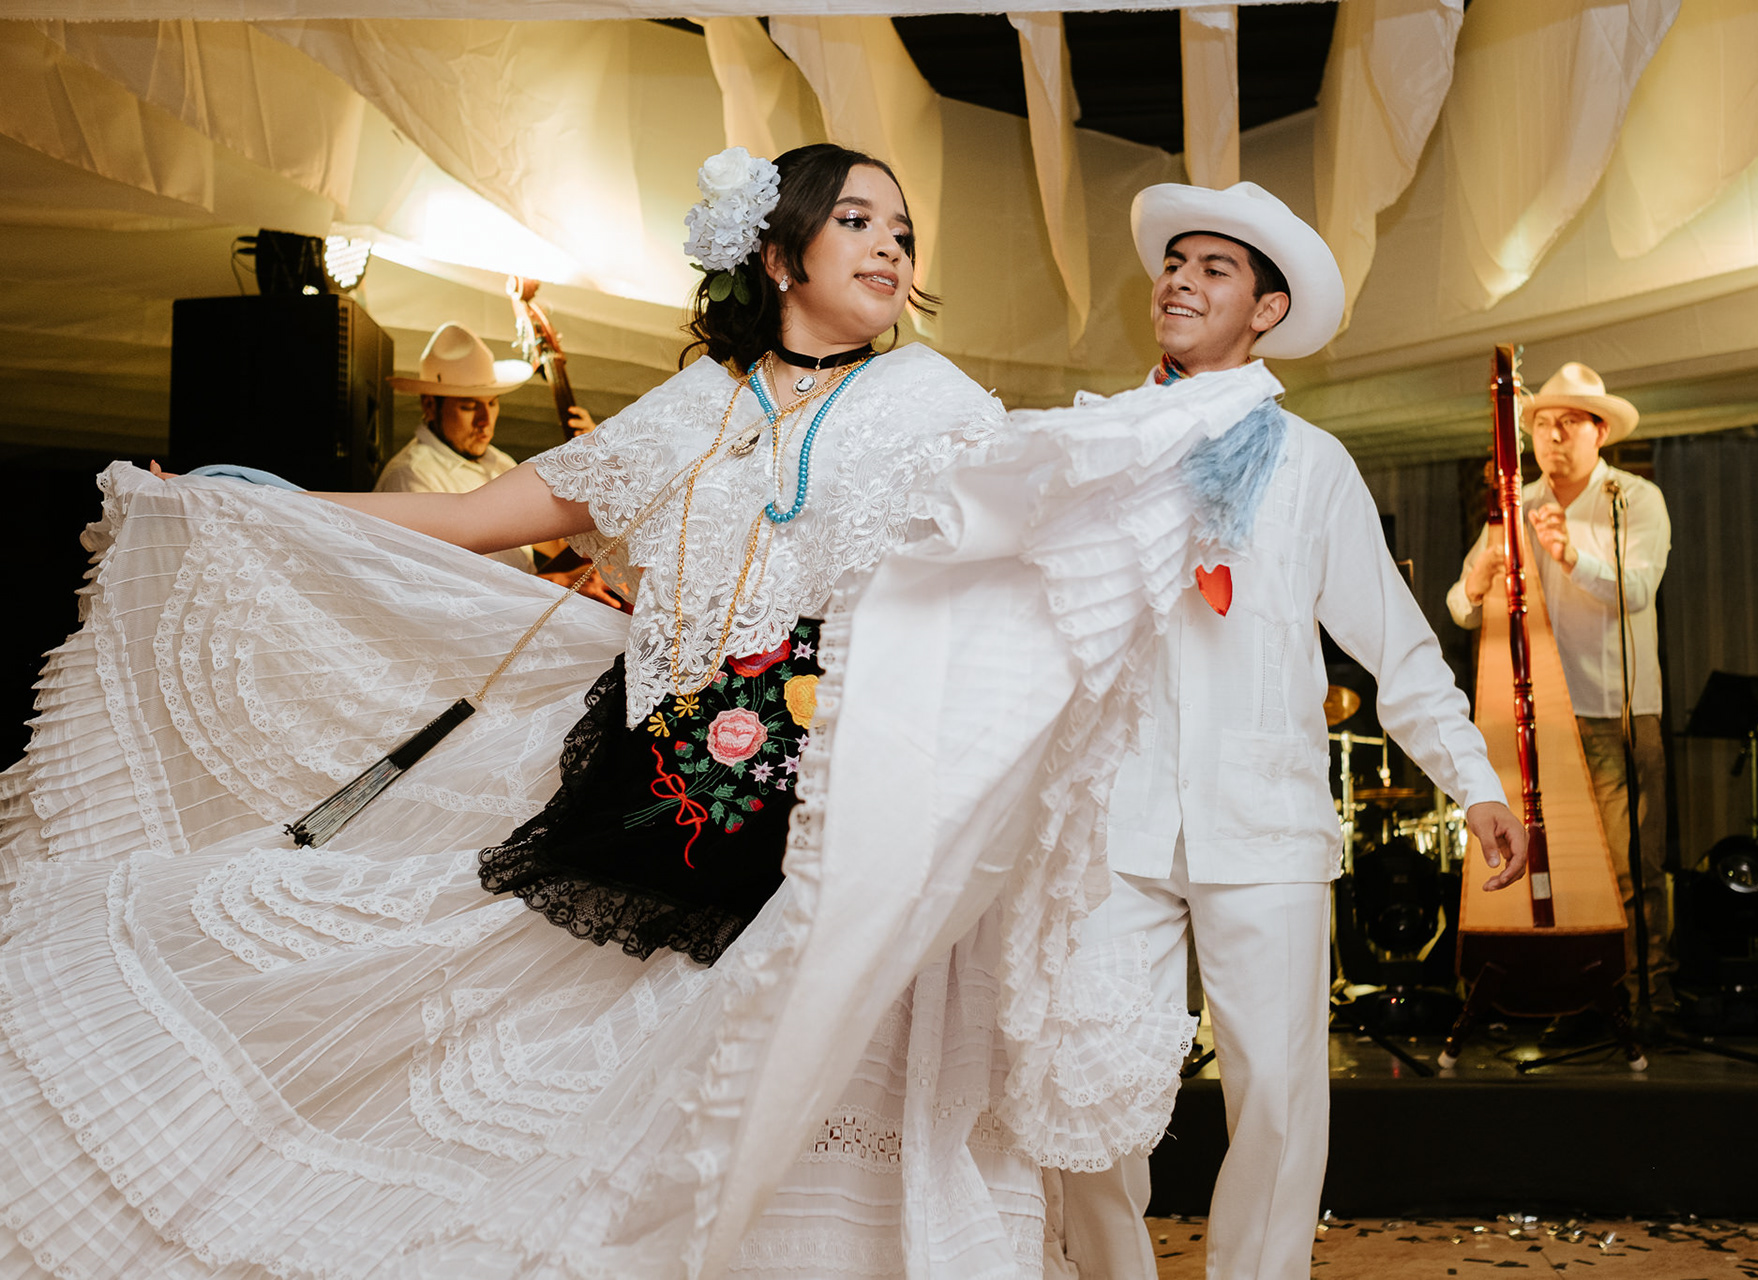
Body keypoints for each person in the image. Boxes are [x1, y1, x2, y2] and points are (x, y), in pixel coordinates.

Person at [0, 144, 1277, 1277]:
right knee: (623, 1090)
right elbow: (473, 517)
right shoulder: (696, 406)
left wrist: (1181, 436)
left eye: (902, 230)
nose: (891, 246)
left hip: (837, 817)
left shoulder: (936, 401)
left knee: (816, 1085)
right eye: (858, 221)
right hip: (665, 794)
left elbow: (1035, 512)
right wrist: (251, 500)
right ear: (777, 253)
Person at [1056, 181, 1526, 1280]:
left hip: (1262, 819)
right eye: (1174, 264)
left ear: (1266, 311)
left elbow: (1398, 644)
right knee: (1091, 1083)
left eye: (1213, 269)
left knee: (1275, 1092)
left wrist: (1476, 781)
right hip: (1113, 817)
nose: (1179, 281)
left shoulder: (1312, 464)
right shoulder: (1095, 441)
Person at [1446, 362, 1674, 1016]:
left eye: (1570, 422)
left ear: (1600, 431)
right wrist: (1478, 580)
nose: (1552, 436)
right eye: (1543, 423)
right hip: (1535, 718)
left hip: (1614, 709)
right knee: (1558, 866)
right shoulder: (1517, 504)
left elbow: (1638, 590)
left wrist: (1572, 556)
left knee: (1630, 866)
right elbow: (1459, 606)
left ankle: (1647, 996)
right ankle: (1571, 996)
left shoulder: (1634, 500)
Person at [379, 323, 601, 585]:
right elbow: (443, 585)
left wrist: (600, 458)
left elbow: (557, 544)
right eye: (469, 406)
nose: (485, 420)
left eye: (492, 403)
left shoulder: (501, 462)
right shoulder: (411, 476)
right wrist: (559, 583)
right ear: (429, 405)